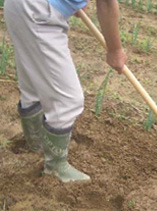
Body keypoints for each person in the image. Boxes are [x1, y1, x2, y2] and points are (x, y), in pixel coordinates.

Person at [4, 0, 127, 183]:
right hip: (38, 11)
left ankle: (37, 146)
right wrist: (115, 50)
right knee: (68, 101)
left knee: (33, 83)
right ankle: (55, 167)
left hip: (19, 5)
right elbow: (107, 4)